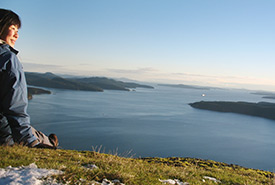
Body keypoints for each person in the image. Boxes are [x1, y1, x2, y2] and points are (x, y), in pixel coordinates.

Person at [0, 9, 58, 149]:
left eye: (17, 30)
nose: (16, 35)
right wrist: (30, 142)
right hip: (3, 134)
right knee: (36, 137)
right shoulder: (8, 59)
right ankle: (49, 144)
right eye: (12, 28)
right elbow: (15, 108)